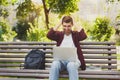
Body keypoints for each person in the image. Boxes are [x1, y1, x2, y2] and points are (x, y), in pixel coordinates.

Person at [47, 15, 87, 80]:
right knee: (54, 64)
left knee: (71, 65)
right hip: (61, 62)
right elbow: (49, 35)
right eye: (64, 26)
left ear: (72, 25)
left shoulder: (75, 35)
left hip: (73, 61)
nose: (66, 28)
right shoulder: (59, 35)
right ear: (62, 25)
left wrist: (74, 22)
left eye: (69, 26)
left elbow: (84, 36)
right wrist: (60, 22)